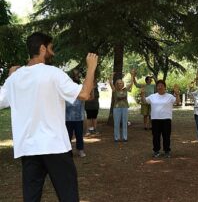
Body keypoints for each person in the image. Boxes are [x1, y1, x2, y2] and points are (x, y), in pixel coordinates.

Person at [0, 32, 98, 201]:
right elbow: (84, 94)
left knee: (31, 198)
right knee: (68, 196)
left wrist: (10, 77)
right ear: (42, 48)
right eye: (51, 48)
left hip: (29, 148)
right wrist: (91, 67)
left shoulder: (14, 79)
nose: (53, 53)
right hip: (55, 146)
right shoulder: (53, 73)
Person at [141, 80, 180, 158]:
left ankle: (167, 151)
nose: (160, 87)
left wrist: (177, 94)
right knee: (156, 136)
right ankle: (156, 151)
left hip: (166, 119)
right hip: (155, 119)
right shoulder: (153, 96)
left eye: (162, 85)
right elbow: (144, 101)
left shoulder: (170, 96)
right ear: (156, 87)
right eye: (158, 85)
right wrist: (142, 94)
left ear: (165, 87)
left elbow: (177, 102)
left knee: (166, 136)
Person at [110, 70, 135, 142]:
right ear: (116, 84)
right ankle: (116, 138)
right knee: (116, 123)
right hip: (116, 108)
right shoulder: (114, 90)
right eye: (118, 83)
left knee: (125, 123)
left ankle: (125, 138)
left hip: (125, 108)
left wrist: (132, 75)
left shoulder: (125, 90)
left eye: (121, 83)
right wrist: (111, 76)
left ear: (122, 84)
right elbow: (110, 83)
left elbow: (131, 83)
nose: (120, 84)